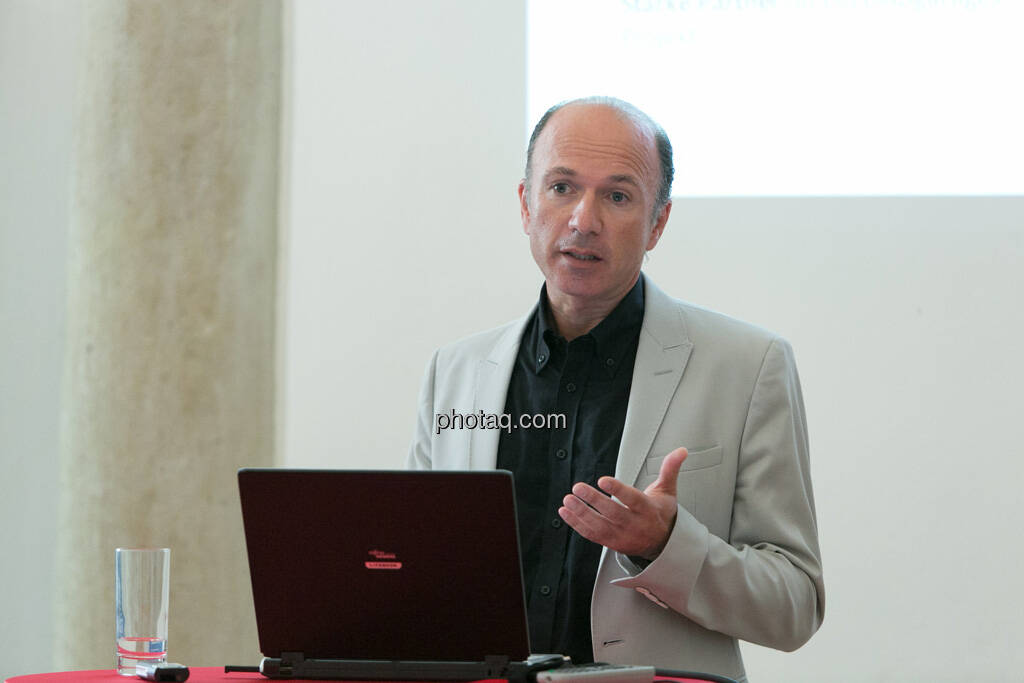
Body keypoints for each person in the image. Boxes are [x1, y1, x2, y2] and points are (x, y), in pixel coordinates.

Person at [407, 97, 824, 682]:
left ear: (658, 223)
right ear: (526, 206)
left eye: (618, 195)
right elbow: (418, 574)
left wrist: (664, 544)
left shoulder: (748, 367)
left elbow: (794, 606)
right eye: (560, 188)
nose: (583, 219)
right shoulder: (454, 372)